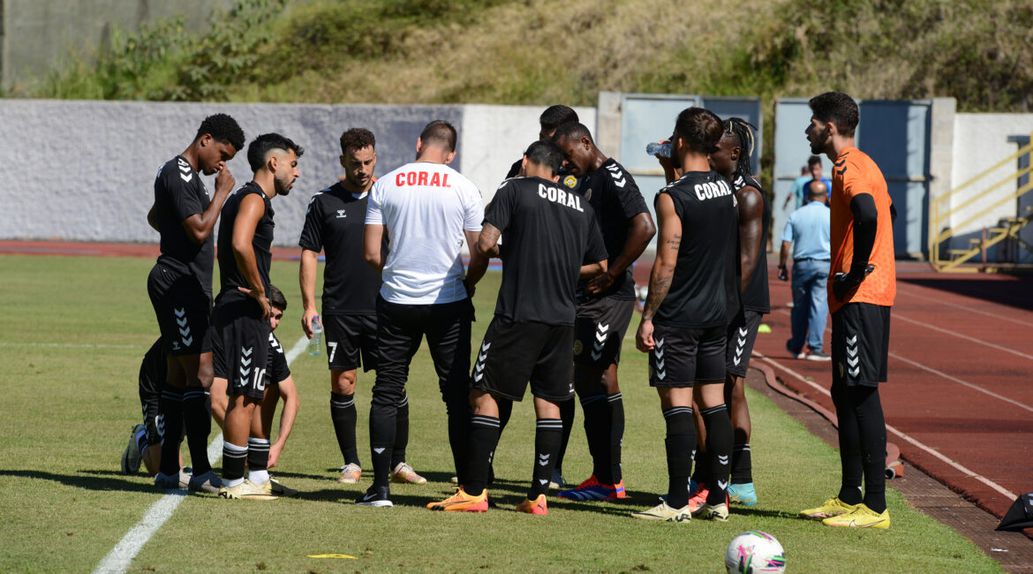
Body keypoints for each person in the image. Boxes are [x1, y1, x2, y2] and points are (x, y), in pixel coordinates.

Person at [427, 141, 609, 514]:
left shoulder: (515, 188)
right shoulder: (582, 206)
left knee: (484, 393)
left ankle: (473, 492)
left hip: (518, 313)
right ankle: (537, 496)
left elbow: (485, 243)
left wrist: (513, 252)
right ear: (557, 173)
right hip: (563, 317)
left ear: (526, 161)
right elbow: (601, 266)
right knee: (549, 401)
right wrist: (562, 268)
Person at [358, 120, 488, 507]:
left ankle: (380, 489)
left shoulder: (385, 184)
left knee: (386, 391)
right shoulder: (464, 186)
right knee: (456, 395)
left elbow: (370, 252)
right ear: (451, 154)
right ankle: (468, 488)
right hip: (448, 302)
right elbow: (480, 250)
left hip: (396, 301)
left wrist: (396, 274)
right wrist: (468, 282)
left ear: (419, 143)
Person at [298, 128, 424, 486]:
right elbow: (309, 253)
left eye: (368, 162)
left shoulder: (390, 196)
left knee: (393, 384)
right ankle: (351, 463)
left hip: (387, 307)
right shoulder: (324, 201)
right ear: (343, 161)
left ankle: (399, 462)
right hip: (340, 309)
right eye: (355, 163)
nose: (363, 169)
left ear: (375, 158)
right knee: (344, 383)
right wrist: (309, 305)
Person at [632, 107, 738, 522]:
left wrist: (648, 316)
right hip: (716, 313)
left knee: (676, 405)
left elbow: (666, 262)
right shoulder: (725, 189)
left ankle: (677, 501)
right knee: (714, 403)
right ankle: (718, 498)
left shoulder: (671, 196)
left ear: (678, 141)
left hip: (679, 316)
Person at [799, 91, 896, 529]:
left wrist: (857, 271)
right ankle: (849, 495)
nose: (808, 130)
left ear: (830, 127)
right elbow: (888, 210)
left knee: (861, 392)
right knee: (843, 392)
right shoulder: (863, 164)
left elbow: (869, 212)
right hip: (855, 296)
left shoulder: (848, 165)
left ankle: (875, 507)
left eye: (812, 122)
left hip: (862, 296)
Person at [551, 122, 656, 502]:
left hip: (609, 297)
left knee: (601, 376)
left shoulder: (614, 176)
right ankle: (603, 475)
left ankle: (610, 479)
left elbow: (645, 227)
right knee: (587, 377)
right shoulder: (585, 179)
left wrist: (613, 272)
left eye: (568, 154)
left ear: (585, 142)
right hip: (587, 296)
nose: (565, 163)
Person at [145, 113, 244, 492]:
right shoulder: (181, 173)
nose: (222, 165)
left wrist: (178, 227)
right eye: (222, 154)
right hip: (179, 286)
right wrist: (221, 193)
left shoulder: (179, 175)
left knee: (177, 374)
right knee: (202, 375)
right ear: (205, 140)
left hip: (184, 284)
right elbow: (200, 229)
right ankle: (201, 472)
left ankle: (169, 470)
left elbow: (156, 216)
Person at [124, 284, 299, 492]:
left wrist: (278, 445)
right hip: (160, 378)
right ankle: (142, 436)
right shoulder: (222, 331)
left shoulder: (270, 344)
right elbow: (216, 401)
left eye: (278, 317)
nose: (273, 323)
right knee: (161, 468)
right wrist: (241, 446)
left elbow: (291, 397)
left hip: (194, 387)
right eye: (269, 315)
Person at [212, 133, 302, 500]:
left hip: (241, 308)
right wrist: (260, 290)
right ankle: (235, 482)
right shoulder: (253, 198)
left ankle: (259, 477)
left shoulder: (251, 198)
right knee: (244, 397)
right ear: (273, 163)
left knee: (253, 393)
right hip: (244, 307)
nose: (297, 172)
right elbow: (239, 242)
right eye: (293, 164)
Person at [497, 104, 582, 488]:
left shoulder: (580, 178)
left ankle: (550, 471)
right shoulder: (522, 175)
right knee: (523, 392)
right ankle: (496, 469)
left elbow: (487, 238)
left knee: (550, 392)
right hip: (545, 304)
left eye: (551, 135)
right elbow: (499, 213)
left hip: (544, 303)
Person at [704, 118, 770, 508]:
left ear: (735, 152)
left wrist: (725, 308)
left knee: (733, 382)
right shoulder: (717, 187)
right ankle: (711, 471)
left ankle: (742, 480)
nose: (708, 155)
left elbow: (747, 261)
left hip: (742, 304)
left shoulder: (748, 194)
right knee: (712, 382)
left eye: (714, 150)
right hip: (719, 299)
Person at [779, 181, 832, 361]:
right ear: (826, 196)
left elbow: (786, 244)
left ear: (808, 196)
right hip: (824, 264)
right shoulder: (831, 215)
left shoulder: (796, 215)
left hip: (801, 265)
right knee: (819, 305)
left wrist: (782, 265)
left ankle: (796, 346)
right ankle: (815, 347)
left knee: (799, 306)